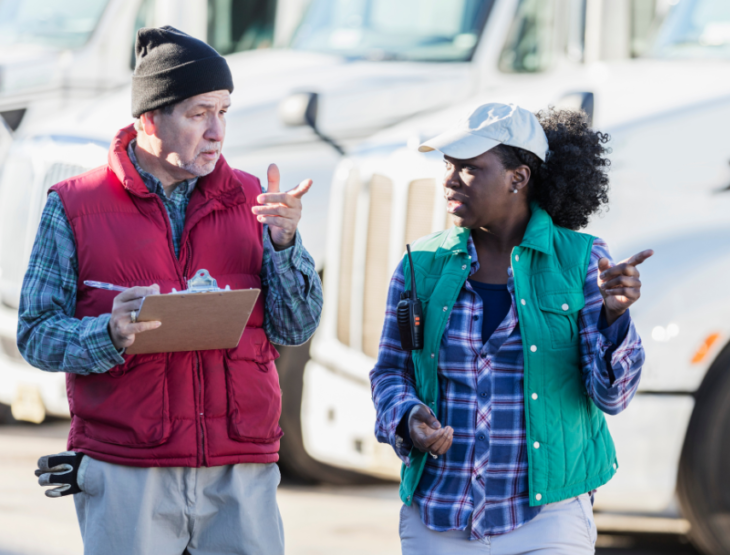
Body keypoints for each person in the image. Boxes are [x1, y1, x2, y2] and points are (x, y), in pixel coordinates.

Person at [20, 26, 323, 554]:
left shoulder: (258, 200)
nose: (216, 132)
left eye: (224, 111)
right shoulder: (73, 206)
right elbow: (35, 334)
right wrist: (106, 334)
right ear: (149, 119)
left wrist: (285, 245)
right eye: (198, 113)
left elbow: (295, 328)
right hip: (127, 471)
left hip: (240, 468)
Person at [370, 102, 651, 553]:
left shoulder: (582, 261)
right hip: (439, 514)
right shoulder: (421, 265)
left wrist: (615, 318)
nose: (448, 180)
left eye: (468, 169)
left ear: (518, 178)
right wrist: (407, 418)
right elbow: (390, 372)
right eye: (448, 166)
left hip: (549, 517)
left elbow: (612, 397)